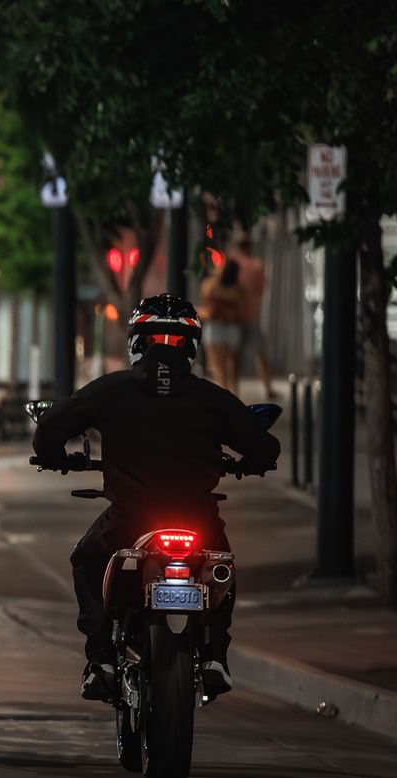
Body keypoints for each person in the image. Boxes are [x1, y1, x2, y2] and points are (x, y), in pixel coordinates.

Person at [31, 293, 279, 703]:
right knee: (222, 571)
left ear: (136, 341)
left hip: (129, 519)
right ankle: (215, 656)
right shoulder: (212, 397)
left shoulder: (112, 389)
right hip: (198, 519)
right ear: (193, 345)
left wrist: (54, 457)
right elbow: (265, 448)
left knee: (87, 560)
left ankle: (101, 661)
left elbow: (51, 427)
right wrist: (251, 461)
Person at [230, 234, 275, 399]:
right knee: (261, 353)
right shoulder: (256, 265)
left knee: (235, 356)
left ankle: (234, 389)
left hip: (233, 316)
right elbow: (261, 289)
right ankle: (268, 388)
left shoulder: (230, 264)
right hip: (252, 315)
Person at [199, 258, 245, 389]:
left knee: (218, 368)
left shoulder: (211, 285)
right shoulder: (238, 289)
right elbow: (241, 310)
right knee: (232, 367)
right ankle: (234, 393)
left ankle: (224, 393)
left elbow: (209, 310)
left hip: (215, 328)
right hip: (232, 328)